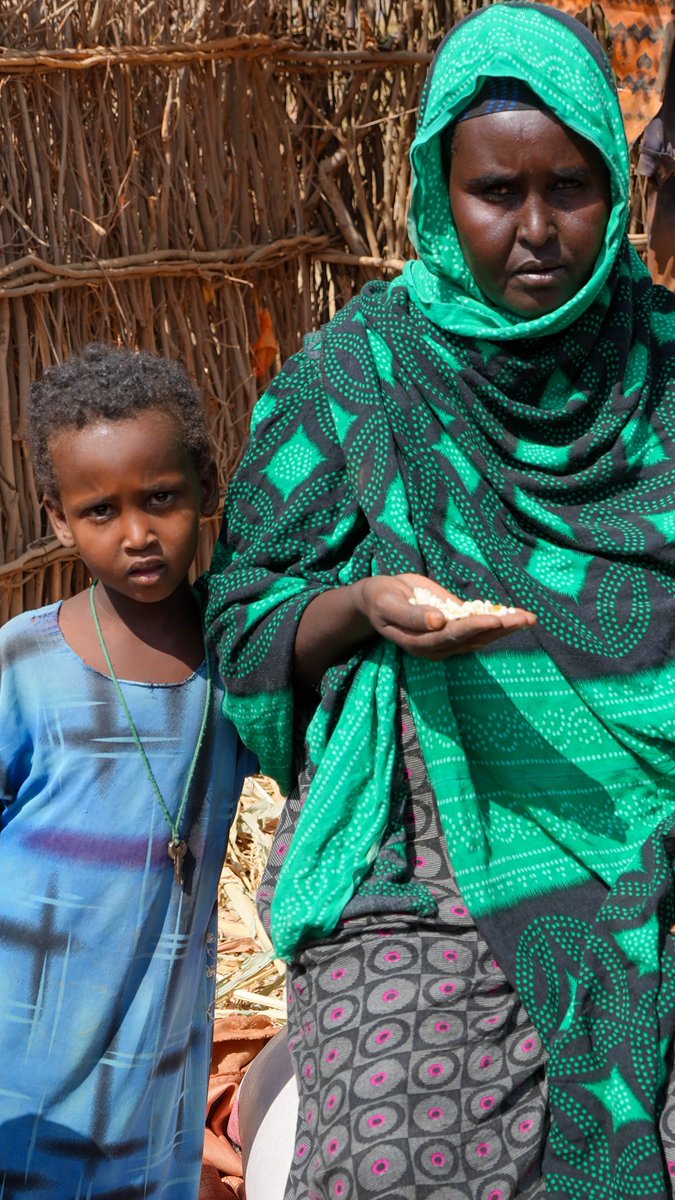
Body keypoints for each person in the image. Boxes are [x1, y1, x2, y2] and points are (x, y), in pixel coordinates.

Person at [206, 3, 675, 1197]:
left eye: (569, 186)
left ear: (615, 186)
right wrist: (361, 606)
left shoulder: (663, 368)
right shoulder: (358, 379)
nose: (533, 230)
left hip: (660, 825)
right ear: (435, 190)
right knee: (388, 1151)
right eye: (493, 192)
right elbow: (244, 616)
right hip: (426, 856)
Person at [0, 344, 255, 1198]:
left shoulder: (238, 660)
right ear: (58, 518)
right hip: (20, 1043)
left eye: (160, 499)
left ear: (206, 489)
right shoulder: (23, 666)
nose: (137, 534)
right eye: (100, 511)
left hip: (155, 1042)